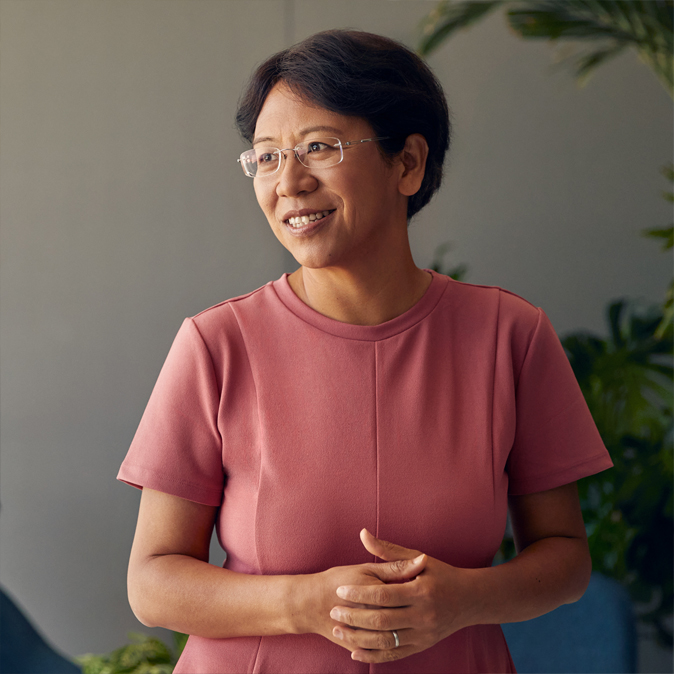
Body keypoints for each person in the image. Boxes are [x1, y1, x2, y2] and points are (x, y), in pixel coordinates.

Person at [118, 29, 613, 674]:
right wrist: (301, 603)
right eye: (266, 158)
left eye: (318, 148)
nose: (288, 183)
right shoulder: (216, 344)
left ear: (407, 163)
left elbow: (564, 555)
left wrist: (464, 599)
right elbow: (152, 584)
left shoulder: (510, 336)